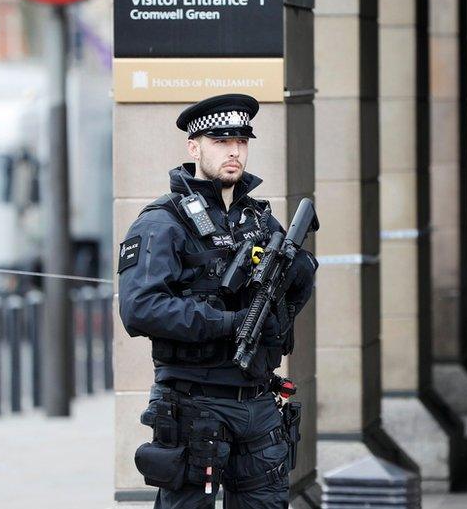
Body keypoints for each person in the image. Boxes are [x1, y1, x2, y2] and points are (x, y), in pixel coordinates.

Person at [118, 93, 317, 509]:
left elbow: (293, 294)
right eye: (221, 141)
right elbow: (140, 309)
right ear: (194, 147)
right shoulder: (163, 221)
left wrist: (297, 274)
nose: (234, 151)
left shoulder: (259, 220)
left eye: (241, 142)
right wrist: (229, 323)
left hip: (258, 403)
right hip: (195, 404)